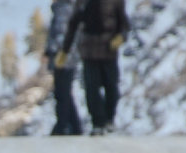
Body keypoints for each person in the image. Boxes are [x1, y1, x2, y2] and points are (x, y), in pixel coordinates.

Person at [57, 0, 130, 135]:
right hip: (88, 51)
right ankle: (98, 123)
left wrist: (120, 37)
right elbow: (73, 25)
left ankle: (109, 119)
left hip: (109, 51)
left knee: (111, 87)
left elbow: (124, 25)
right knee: (91, 89)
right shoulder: (82, 2)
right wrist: (65, 50)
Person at [44, 0, 83, 135]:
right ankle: (75, 127)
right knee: (65, 93)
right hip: (67, 57)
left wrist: (55, 52)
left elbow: (62, 33)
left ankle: (62, 125)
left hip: (63, 59)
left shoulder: (62, 9)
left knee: (62, 93)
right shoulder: (65, 8)